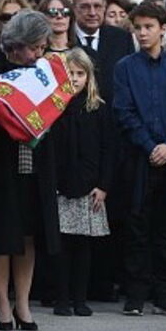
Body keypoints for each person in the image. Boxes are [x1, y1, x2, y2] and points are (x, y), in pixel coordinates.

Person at [0, 10, 59, 331]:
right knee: (1, 233)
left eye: (42, 48)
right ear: (17, 45)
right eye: (34, 48)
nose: (39, 54)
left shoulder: (43, 69)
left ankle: (23, 302)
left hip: (35, 161)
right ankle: (3, 305)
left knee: (28, 234)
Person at [114, 2, 166, 317]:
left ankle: (164, 295)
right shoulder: (125, 67)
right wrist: (150, 145)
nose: (143, 33)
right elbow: (124, 111)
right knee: (137, 227)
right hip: (138, 158)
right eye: (138, 28)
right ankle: (135, 294)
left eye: (149, 27)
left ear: (163, 28)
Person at [72, 0, 135, 301]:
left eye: (97, 5)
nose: (93, 12)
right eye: (85, 6)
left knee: (110, 212)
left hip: (114, 135)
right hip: (77, 136)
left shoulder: (121, 39)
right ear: (75, 9)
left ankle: (105, 283)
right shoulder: (66, 42)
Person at [51, 48, 112, 317]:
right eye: (70, 73)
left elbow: (109, 150)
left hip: (90, 188)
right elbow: (49, 150)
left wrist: (104, 185)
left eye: (80, 74)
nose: (74, 79)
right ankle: (61, 298)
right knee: (61, 246)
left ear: (89, 78)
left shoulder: (98, 109)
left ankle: (80, 299)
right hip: (61, 186)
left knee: (83, 246)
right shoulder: (53, 108)